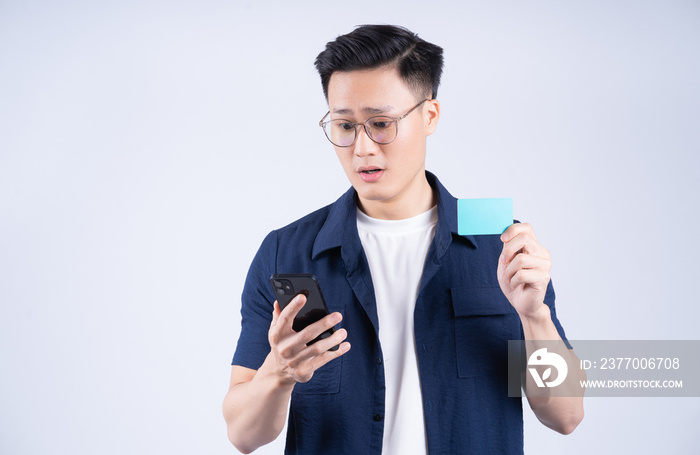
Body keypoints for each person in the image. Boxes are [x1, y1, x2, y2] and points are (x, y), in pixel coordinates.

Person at [222, 24, 584, 455]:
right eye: (344, 126)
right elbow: (243, 435)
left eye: (380, 124)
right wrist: (278, 373)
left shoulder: (500, 243)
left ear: (429, 115)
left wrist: (535, 317)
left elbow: (565, 415)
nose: (362, 148)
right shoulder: (288, 251)